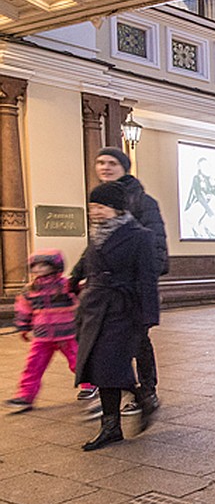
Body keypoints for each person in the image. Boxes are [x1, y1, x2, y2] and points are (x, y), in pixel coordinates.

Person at [74, 182, 159, 451]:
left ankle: (140, 399)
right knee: (99, 369)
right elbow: (87, 264)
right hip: (95, 308)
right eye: (92, 207)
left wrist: (148, 317)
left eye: (100, 207)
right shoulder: (97, 236)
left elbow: (147, 279)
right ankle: (112, 427)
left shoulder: (140, 236)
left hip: (122, 309)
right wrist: (72, 281)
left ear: (116, 208)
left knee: (110, 367)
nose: (95, 212)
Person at [89, 147, 168, 421]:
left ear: (125, 166)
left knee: (138, 342)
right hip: (105, 294)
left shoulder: (143, 202)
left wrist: (142, 283)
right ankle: (116, 393)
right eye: (100, 162)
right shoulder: (102, 200)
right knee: (109, 346)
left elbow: (156, 248)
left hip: (130, 289)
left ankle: (147, 391)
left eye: (112, 162)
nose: (105, 167)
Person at [6, 251, 91, 413]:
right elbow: (24, 309)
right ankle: (25, 396)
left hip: (67, 334)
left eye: (43, 265)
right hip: (42, 337)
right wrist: (23, 327)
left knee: (78, 362)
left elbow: (81, 300)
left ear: (54, 267)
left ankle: (90, 386)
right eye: (35, 266)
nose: (38, 269)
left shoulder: (66, 286)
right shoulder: (30, 290)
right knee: (33, 366)